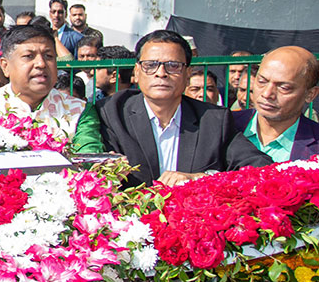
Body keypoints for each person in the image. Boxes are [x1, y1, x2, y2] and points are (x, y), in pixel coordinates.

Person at [71, 30, 267, 187]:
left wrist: (201, 179)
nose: (161, 73)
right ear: (137, 72)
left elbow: (261, 168)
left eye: (173, 65)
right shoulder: (111, 113)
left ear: (188, 73)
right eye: (151, 65)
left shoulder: (214, 119)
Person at [0, 25, 85, 137]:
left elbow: (88, 150)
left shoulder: (79, 111)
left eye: (48, 56)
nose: (41, 64)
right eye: (29, 56)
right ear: (5, 66)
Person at [231, 46, 319, 164]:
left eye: (284, 88)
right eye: (262, 82)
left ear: (310, 94)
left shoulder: (315, 146)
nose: (267, 94)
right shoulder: (224, 127)